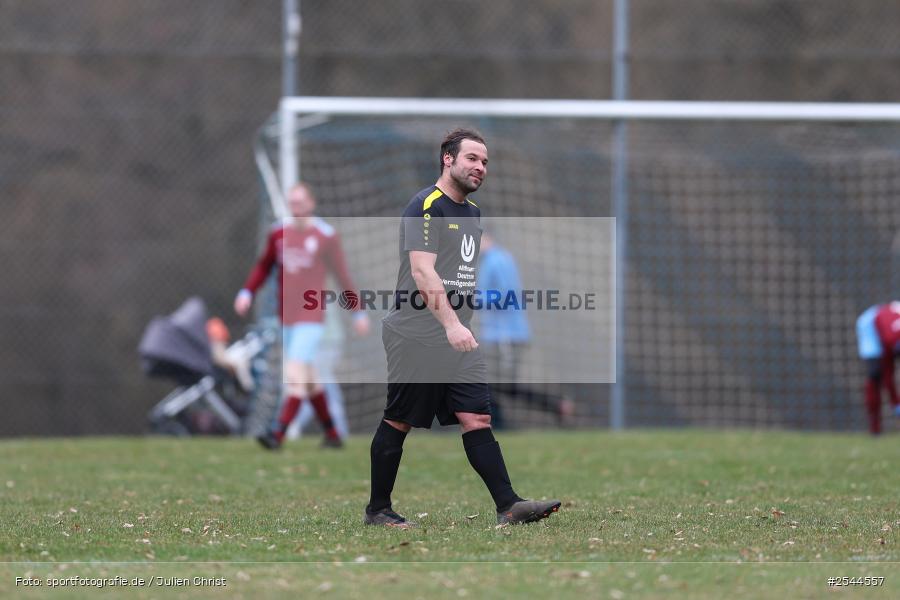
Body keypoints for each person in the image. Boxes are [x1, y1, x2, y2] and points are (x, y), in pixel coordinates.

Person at [365, 128, 561, 528]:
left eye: (485, 161)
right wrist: (452, 324)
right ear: (448, 159)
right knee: (399, 420)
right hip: (416, 334)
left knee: (477, 418)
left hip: (457, 338)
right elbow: (423, 272)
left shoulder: (472, 214)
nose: (480, 167)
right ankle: (378, 510)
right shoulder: (425, 206)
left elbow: (461, 278)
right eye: (472, 158)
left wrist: (461, 325)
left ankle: (509, 506)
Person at [235, 182, 370, 449]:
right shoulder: (279, 234)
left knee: (294, 374)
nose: (295, 207)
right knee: (310, 380)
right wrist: (247, 292)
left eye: (300, 202)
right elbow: (264, 267)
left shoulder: (325, 236)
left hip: (312, 317)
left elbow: (342, 276)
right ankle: (332, 434)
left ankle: (277, 434)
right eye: (292, 202)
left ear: (311, 203)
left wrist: (358, 312)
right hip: (286, 317)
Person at [478, 232, 575, 429]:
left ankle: (501, 426)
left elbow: (507, 295)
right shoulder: (489, 261)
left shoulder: (498, 260)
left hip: (506, 336)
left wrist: (474, 299)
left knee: (493, 384)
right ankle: (555, 406)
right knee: (495, 384)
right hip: (496, 336)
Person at [856, 301, 900, 435]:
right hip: (871, 325)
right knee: (875, 375)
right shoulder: (890, 338)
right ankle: (874, 427)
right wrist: (895, 402)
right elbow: (888, 375)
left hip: (887, 323)